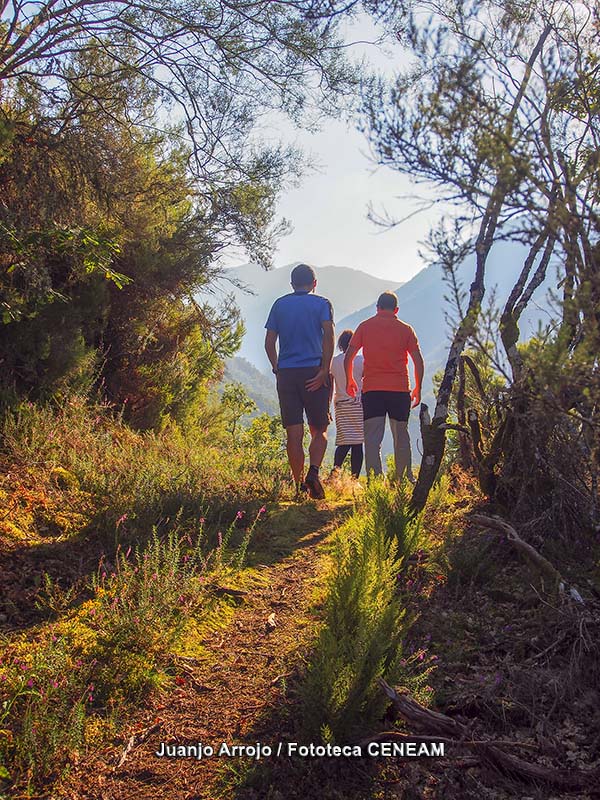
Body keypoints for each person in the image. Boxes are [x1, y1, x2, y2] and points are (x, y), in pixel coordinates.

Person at [264, 263, 334, 499]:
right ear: (314, 283)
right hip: (314, 372)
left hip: (287, 374)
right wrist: (325, 369)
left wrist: (277, 368)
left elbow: (269, 342)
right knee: (319, 429)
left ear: (292, 284)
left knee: (293, 434)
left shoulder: (279, 305)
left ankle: (298, 487)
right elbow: (329, 336)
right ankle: (313, 473)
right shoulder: (322, 304)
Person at [344, 291, 424, 482]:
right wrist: (418, 388)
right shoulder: (406, 329)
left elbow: (349, 356)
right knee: (401, 437)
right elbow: (418, 361)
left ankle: (375, 481)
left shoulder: (365, 327)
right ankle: (403, 479)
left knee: (372, 439)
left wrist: (350, 380)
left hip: (373, 390)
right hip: (399, 390)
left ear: (377, 307)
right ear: (396, 309)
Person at [329, 329, 364, 478]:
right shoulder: (362, 360)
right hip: (359, 404)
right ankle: (354, 478)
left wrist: (327, 406)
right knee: (357, 443)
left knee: (344, 441)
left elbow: (331, 386)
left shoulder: (334, 362)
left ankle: (335, 473)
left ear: (340, 345)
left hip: (341, 405)